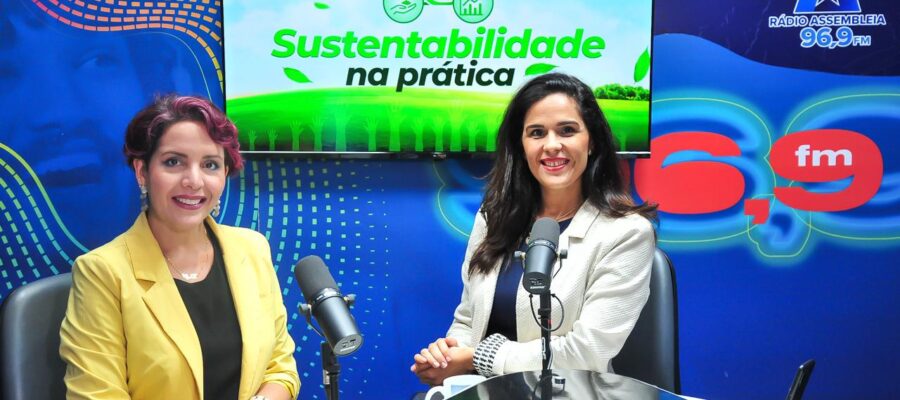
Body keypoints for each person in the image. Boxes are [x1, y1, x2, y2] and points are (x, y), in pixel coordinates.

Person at [410, 73, 657, 385]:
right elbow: (469, 319)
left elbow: (585, 353)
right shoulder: (492, 218)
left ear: (592, 142)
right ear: (521, 145)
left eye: (567, 130)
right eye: (537, 133)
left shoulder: (627, 233)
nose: (552, 145)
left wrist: (476, 357)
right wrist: (447, 356)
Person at [59, 95, 300, 400]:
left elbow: (280, 368)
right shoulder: (102, 272)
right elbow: (96, 395)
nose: (194, 181)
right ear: (142, 171)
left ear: (224, 174)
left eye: (210, 165)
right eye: (173, 162)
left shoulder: (252, 249)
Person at [0, 0, 211, 248]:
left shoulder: (244, 247)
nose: (61, 113)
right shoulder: (101, 267)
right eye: (5, 72)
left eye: (98, 60)